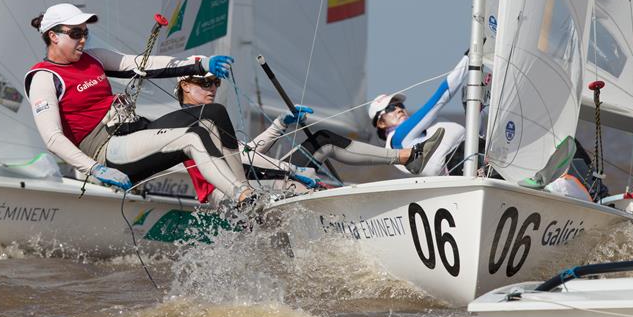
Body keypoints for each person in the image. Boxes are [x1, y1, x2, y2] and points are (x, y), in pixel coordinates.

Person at [24, 2, 256, 204]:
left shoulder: (94, 58)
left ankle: (245, 197)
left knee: (213, 113)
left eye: (85, 33)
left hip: (136, 130)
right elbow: (53, 139)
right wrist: (95, 169)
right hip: (108, 152)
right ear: (53, 36)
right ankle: (241, 196)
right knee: (192, 137)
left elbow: (143, 64)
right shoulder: (44, 77)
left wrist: (200, 65)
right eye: (76, 33)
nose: (83, 39)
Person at [171, 73, 445, 203]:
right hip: (228, 194)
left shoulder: (212, 116)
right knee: (317, 191)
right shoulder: (189, 123)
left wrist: (281, 124)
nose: (212, 89)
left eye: (215, 83)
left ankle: (409, 157)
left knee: (323, 140)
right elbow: (239, 160)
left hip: (249, 178)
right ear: (185, 86)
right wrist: (294, 171)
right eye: (205, 83)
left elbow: (244, 153)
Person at [370, 55, 484, 176]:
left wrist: (476, 110)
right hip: (463, 164)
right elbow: (440, 97)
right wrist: (469, 58)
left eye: (401, 106)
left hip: (473, 156)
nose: (399, 109)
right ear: (381, 123)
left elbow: (475, 136)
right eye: (391, 108)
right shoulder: (398, 137)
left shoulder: (422, 130)